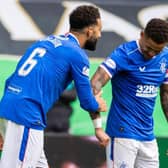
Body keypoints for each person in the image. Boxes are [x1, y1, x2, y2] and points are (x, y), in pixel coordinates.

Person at [0, 5, 108, 168]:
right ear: (90, 31)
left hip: (9, 108)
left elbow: (10, 80)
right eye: (99, 30)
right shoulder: (78, 55)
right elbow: (87, 101)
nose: (100, 35)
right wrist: (97, 104)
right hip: (27, 116)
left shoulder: (44, 42)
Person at [91, 18, 168, 168]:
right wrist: (97, 121)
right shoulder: (124, 54)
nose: (151, 54)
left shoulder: (165, 58)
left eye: (156, 51)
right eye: (148, 48)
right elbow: (96, 83)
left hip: (148, 136)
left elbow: (166, 96)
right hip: (122, 133)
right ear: (142, 35)